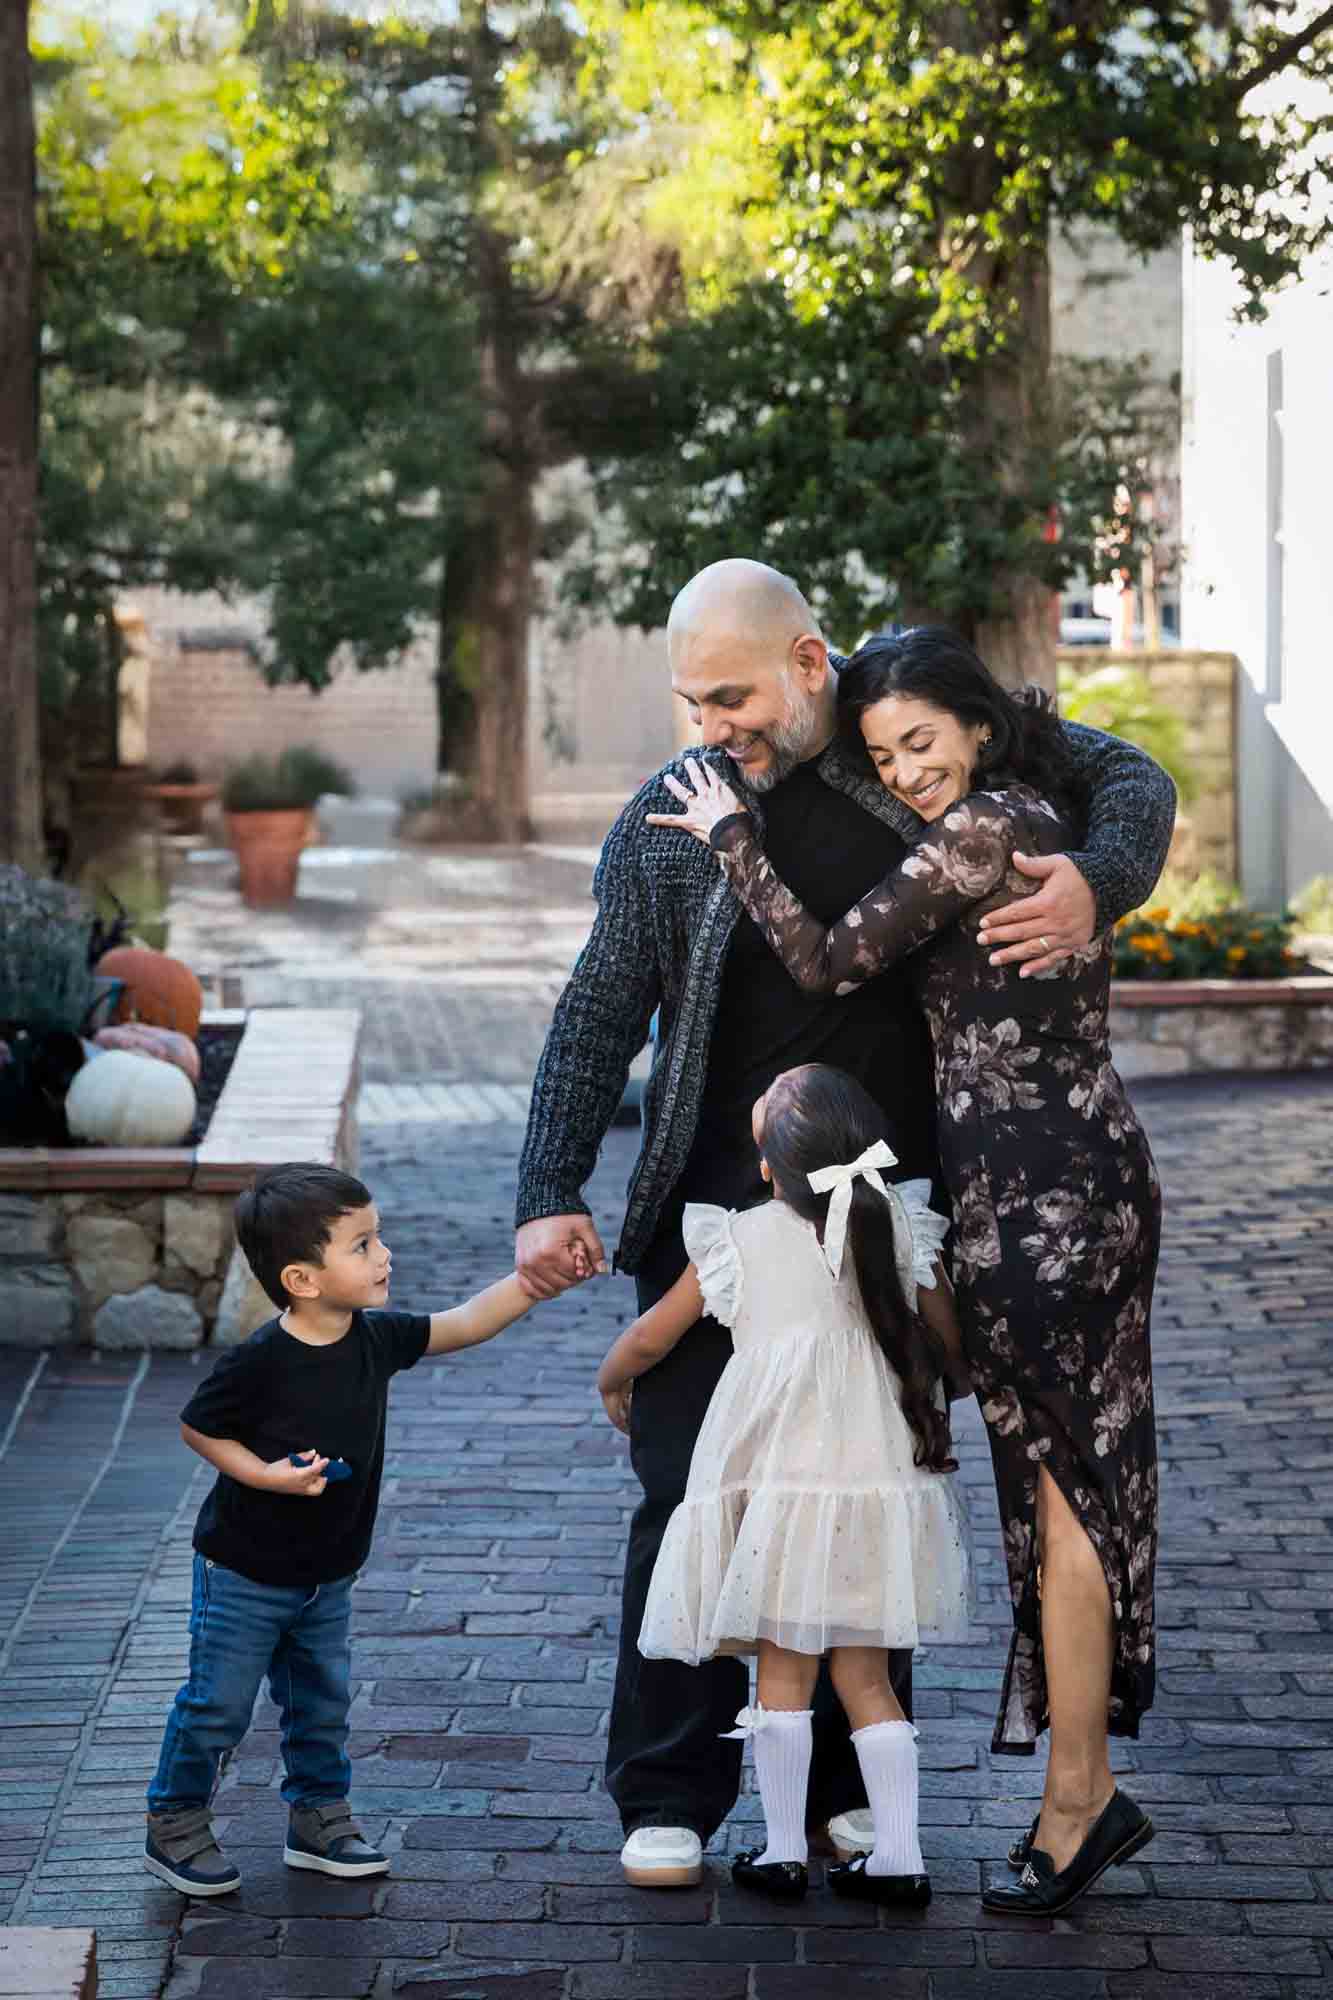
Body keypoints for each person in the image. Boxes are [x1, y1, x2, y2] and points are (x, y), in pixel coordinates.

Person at [515, 558, 1176, 1888]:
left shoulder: (906, 756)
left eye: (732, 695)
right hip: (713, 1202)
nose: (711, 724)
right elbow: (597, 1007)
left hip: (893, 1209)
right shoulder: (671, 815)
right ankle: (671, 1785)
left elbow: (1129, 776)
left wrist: (1099, 881)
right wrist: (547, 1192)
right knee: (694, 1492)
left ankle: (835, 1791)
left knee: (868, 1490)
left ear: (811, 662)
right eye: (690, 702)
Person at [143, 1162, 584, 1899]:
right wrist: (267, 1475)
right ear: (302, 1279)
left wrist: (536, 1282)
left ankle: (318, 1819)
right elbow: (199, 1427)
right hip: (243, 1575)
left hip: (327, 1575)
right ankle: (176, 1819)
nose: (385, 1257)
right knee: (218, 1704)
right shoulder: (260, 1361)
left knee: (320, 1703)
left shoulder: (374, 1339)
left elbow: (465, 1322)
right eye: (362, 1245)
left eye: (377, 1239)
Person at [596, 1063, 971, 1906]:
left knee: (783, 1677)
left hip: (778, 1495)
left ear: (768, 1164)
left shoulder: (738, 1240)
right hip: (873, 1490)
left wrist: (609, 1378)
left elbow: (652, 1338)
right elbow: (952, 1350)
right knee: (869, 1680)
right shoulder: (901, 1227)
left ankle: (777, 1851)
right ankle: (899, 1856)